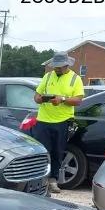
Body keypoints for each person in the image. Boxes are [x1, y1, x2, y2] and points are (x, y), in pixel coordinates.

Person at [32, 52, 85, 193]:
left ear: (67, 65)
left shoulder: (75, 79)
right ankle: (37, 179)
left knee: (57, 152)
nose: (57, 69)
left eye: (59, 67)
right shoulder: (48, 76)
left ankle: (52, 181)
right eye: (55, 66)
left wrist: (62, 99)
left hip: (62, 121)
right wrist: (40, 98)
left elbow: (78, 100)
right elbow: (36, 95)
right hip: (43, 120)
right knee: (42, 152)